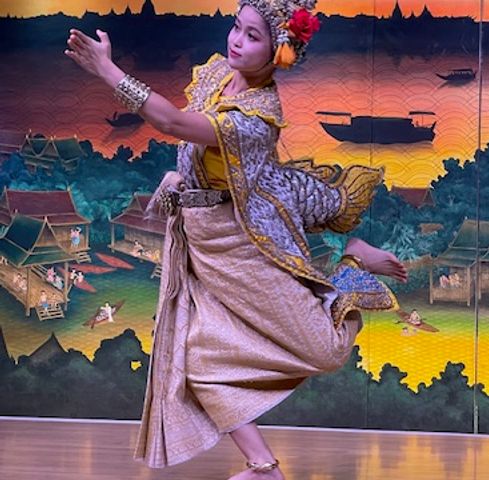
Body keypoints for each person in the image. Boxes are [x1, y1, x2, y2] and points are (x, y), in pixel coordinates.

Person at [66, 1, 408, 478]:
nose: (236, 41)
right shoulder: (216, 75)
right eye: (236, 27)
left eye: (252, 36)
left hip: (245, 243)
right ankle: (263, 467)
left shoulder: (258, 117)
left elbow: (173, 123)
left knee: (326, 350)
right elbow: (187, 141)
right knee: (196, 361)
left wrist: (107, 70)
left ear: (276, 53)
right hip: (201, 241)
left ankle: (352, 262)